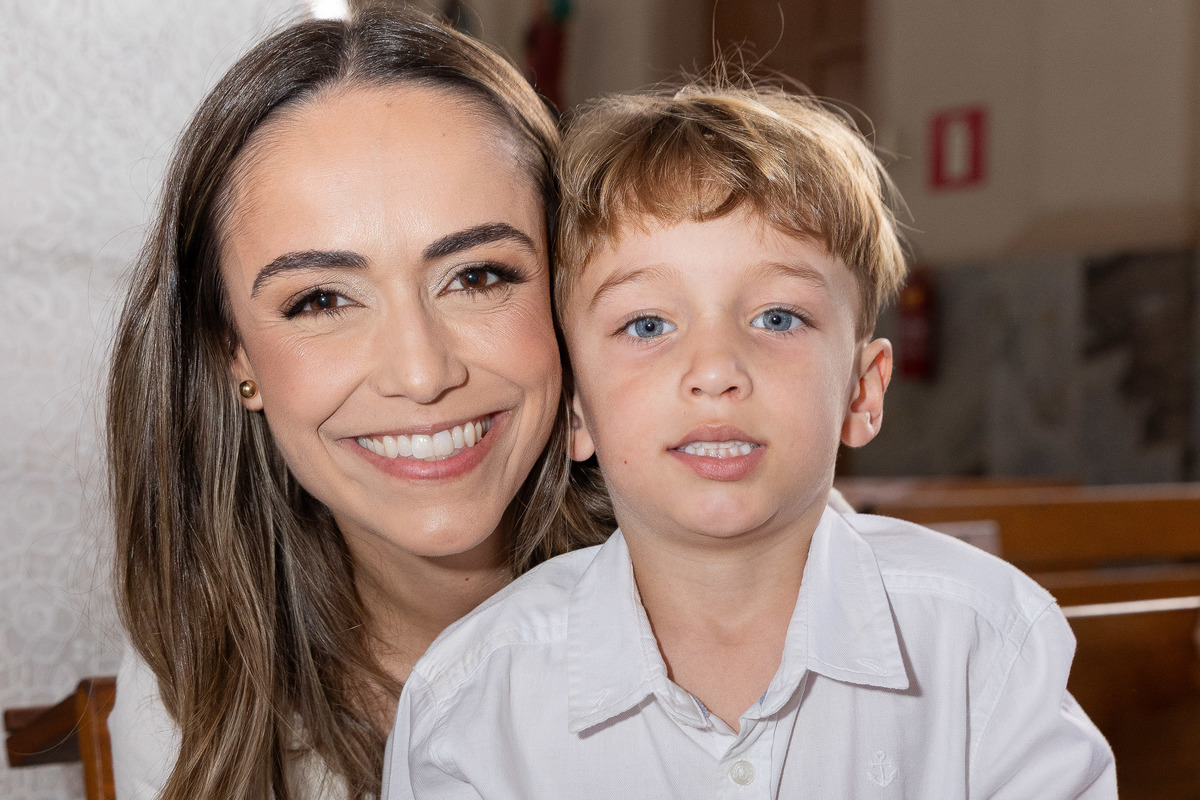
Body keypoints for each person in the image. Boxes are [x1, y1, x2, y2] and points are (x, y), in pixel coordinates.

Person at [384, 79, 1118, 798]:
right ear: (576, 407)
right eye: (648, 325)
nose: (715, 371)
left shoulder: (981, 641)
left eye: (777, 318)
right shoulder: (477, 703)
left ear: (862, 392)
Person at [104, 8, 610, 799]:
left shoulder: (760, 590)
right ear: (234, 353)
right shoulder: (188, 682)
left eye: (479, 276)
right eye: (321, 300)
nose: (419, 372)